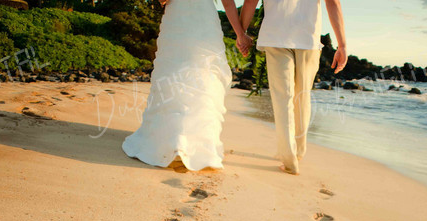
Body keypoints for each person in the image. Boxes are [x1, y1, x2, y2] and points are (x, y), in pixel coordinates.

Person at [122, 0, 251, 172]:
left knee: (174, 74)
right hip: (204, 21)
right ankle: (200, 144)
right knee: (205, 77)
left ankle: (173, 139)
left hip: (178, 18)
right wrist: (240, 34)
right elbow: (227, 3)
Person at [239, 0, 347, 175]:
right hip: (307, 37)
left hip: (276, 35)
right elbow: (333, 3)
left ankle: (289, 159)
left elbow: (251, 1)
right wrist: (342, 45)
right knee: (302, 97)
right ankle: (297, 153)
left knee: (283, 98)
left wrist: (241, 32)